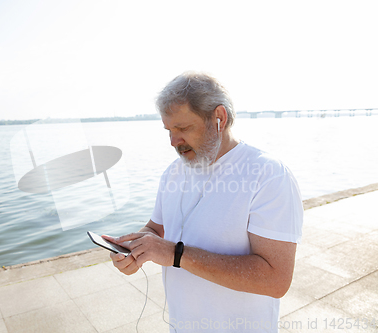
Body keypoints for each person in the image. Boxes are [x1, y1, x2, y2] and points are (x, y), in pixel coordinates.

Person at [103, 72, 303, 332]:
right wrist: (137, 248)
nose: (173, 142)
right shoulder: (173, 172)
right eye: (169, 130)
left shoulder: (268, 174)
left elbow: (276, 279)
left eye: (183, 128)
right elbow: (156, 228)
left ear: (219, 118)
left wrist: (175, 254)